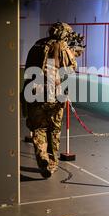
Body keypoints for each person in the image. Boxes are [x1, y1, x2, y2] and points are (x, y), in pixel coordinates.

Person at [22, 22, 84, 178]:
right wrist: (74, 53)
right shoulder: (61, 46)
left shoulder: (37, 45)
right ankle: (51, 163)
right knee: (54, 130)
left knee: (39, 129)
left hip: (34, 93)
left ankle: (42, 156)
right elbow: (69, 68)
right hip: (54, 95)